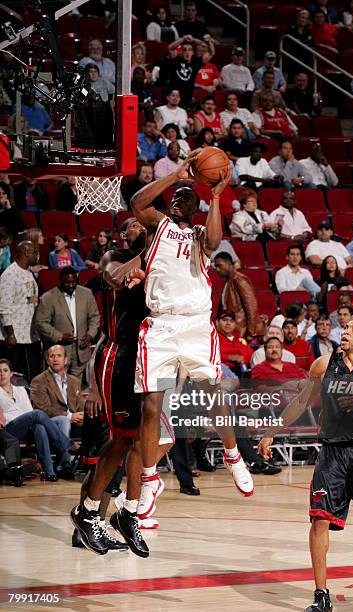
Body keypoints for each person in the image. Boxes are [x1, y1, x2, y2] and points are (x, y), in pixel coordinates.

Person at [130, 151, 254, 519]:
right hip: (161, 325)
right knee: (151, 406)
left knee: (214, 392)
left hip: (197, 325)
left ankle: (233, 455)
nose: (177, 200)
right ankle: (150, 477)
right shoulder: (158, 227)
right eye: (175, 197)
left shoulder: (201, 234)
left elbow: (216, 243)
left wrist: (216, 195)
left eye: (186, 196)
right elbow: (138, 202)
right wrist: (177, 175)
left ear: (197, 206)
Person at [259, 318, 353, 611]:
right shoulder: (323, 364)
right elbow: (302, 401)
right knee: (319, 520)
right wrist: (270, 432)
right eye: (345, 328)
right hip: (332, 453)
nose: (346, 332)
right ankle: (321, 596)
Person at [71, 218, 173, 555]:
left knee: (142, 441)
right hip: (118, 355)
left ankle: (126, 513)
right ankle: (87, 514)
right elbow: (113, 276)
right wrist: (146, 249)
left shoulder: (160, 263)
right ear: (123, 233)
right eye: (132, 224)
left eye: (145, 225)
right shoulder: (115, 255)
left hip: (148, 356)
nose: (140, 228)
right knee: (120, 440)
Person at [0, 358, 73, 481]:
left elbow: (28, 410)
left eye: (5, 370)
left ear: (11, 373)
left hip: (26, 426)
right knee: (37, 414)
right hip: (9, 429)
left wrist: (26, 419)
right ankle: (67, 445)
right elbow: (7, 416)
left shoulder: (21, 390)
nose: (2, 373)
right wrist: (23, 418)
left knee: (40, 427)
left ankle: (49, 472)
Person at [34, 266, 100, 379]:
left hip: (81, 350)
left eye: (73, 282)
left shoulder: (86, 293)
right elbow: (40, 322)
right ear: (60, 281)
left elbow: (94, 317)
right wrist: (60, 336)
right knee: (58, 387)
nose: (70, 285)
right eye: (67, 283)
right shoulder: (48, 297)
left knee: (75, 388)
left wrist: (90, 334)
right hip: (58, 351)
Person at [0, 241, 41, 382]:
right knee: (17, 378)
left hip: (30, 334)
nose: (38, 255)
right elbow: (4, 307)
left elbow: (29, 298)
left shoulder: (28, 271)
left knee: (33, 375)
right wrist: (10, 334)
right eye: (35, 252)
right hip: (16, 338)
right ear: (26, 253)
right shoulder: (9, 275)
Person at [30, 345, 84, 438]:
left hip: (75, 422)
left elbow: (80, 406)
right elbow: (44, 409)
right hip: (52, 422)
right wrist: (69, 416)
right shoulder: (38, 381)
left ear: (65, 360)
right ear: (48, 361)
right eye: (52, 356)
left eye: (59, 356)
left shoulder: (74, 381)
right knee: (64, 421)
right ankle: (64, 451)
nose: (55, 359)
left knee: (98, 423)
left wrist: (82, 415)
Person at [214, 251, 265, 338]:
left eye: (219, 266)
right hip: (233, 329)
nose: (217, 269)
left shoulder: (239, 279)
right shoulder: (229, 281)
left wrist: (251, 332)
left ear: (229, 264)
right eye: (215, 266)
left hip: (242, 330)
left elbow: (251, 306)